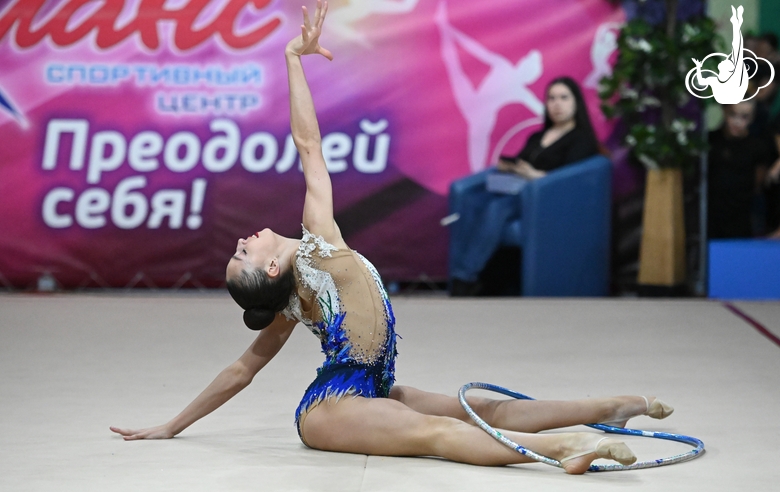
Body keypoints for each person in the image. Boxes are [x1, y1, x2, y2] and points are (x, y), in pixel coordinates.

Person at [110, 2, 674, 475]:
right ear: (271, 271)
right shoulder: (298, 286)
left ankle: (611, 407)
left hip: (376, 388)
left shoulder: (318, 239)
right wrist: (171, 426)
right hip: (334, 405)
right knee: (433, 433)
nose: (243, 240)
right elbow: (241, 371)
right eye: (242, 255)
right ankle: (566, 448)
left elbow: (309, 144)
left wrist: (293, 59)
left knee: (484, 409)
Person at [449, 76, 600, 296]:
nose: (557, 104)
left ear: (576, 102)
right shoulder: (537, 136)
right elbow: (522, 161)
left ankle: (465, 276)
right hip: (518, 190)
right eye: (552, 98)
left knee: (496, 208)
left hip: (548, 198)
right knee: (474, 202)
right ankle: (478, 277)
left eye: (564, 98)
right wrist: (511, 166)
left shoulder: (581, 139)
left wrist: (536, 175)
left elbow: (570, 179)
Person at [708, 101, 771, 239]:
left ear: (752, 118)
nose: (737, 122)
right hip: (711, 215)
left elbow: (758, 183)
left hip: (742, 214)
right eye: (733, 115)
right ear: (725, 112)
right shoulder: (711, 140)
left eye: (744, 117)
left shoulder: (757, 147)